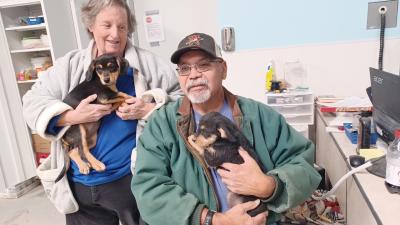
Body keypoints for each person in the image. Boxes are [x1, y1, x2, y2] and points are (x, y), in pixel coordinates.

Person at [131, 33, 321, 225]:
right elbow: (148, 188)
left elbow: (303, 164)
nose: (194, 75)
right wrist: (212, 220)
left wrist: (268, 186)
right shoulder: (162, 124)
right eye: (184, 68)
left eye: (203, 65)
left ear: (223, 69)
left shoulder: (260, 116)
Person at [22, 0, 182, 225]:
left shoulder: (150, 64)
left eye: (122, 27)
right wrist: (71, 116)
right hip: (79, 186)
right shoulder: (71, 64)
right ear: (91, 27)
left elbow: (183, 101)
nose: (115, 34)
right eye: (107, 25)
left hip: (131, 182)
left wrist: (149, 108)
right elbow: (31, 101)